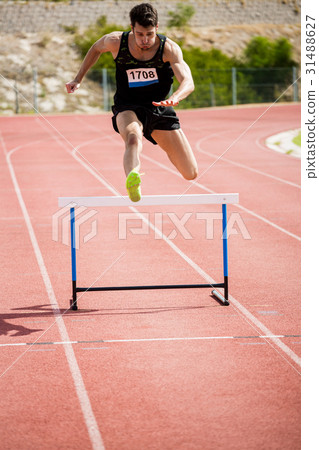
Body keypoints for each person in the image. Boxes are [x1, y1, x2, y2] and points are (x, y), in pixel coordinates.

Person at [66, 2, 198, 202]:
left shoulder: (168, 48)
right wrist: (78, 79)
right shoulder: (115, 41)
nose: (145, 40)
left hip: (159, 108)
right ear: (132, 28)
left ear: (157, 28)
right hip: (127, 106)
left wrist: (175, 98)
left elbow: (188, 81)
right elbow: (95, 49)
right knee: (133, 138)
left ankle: (158, 160)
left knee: (190, 173)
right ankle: (132, 178)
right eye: (140, 34)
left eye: (150, 34)